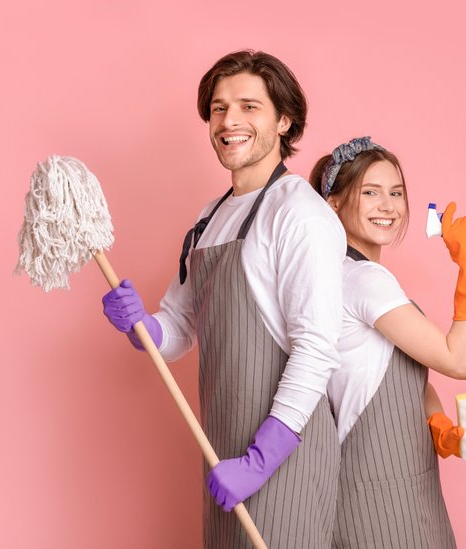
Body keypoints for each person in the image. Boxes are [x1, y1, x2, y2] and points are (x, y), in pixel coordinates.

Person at [101, 51, 344, 548]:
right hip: (223, 450)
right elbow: (181, 326)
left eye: (249, 107)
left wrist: (261, 460)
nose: (229, 121)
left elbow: (316, 348)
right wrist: (143, 325)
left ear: (284, 120)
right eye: (218, 108)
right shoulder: (209, 217)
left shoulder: (301, 214)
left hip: (285, 456)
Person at [309, 137, 466, 548]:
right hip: (375, 496)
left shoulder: (353, 276)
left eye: (396, 192)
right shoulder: (363, 280)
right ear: (332, 203)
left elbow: (403, 379)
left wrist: (440, 427)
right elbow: (459, 360)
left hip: (408, 486)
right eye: (370, 192)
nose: (389, 206)